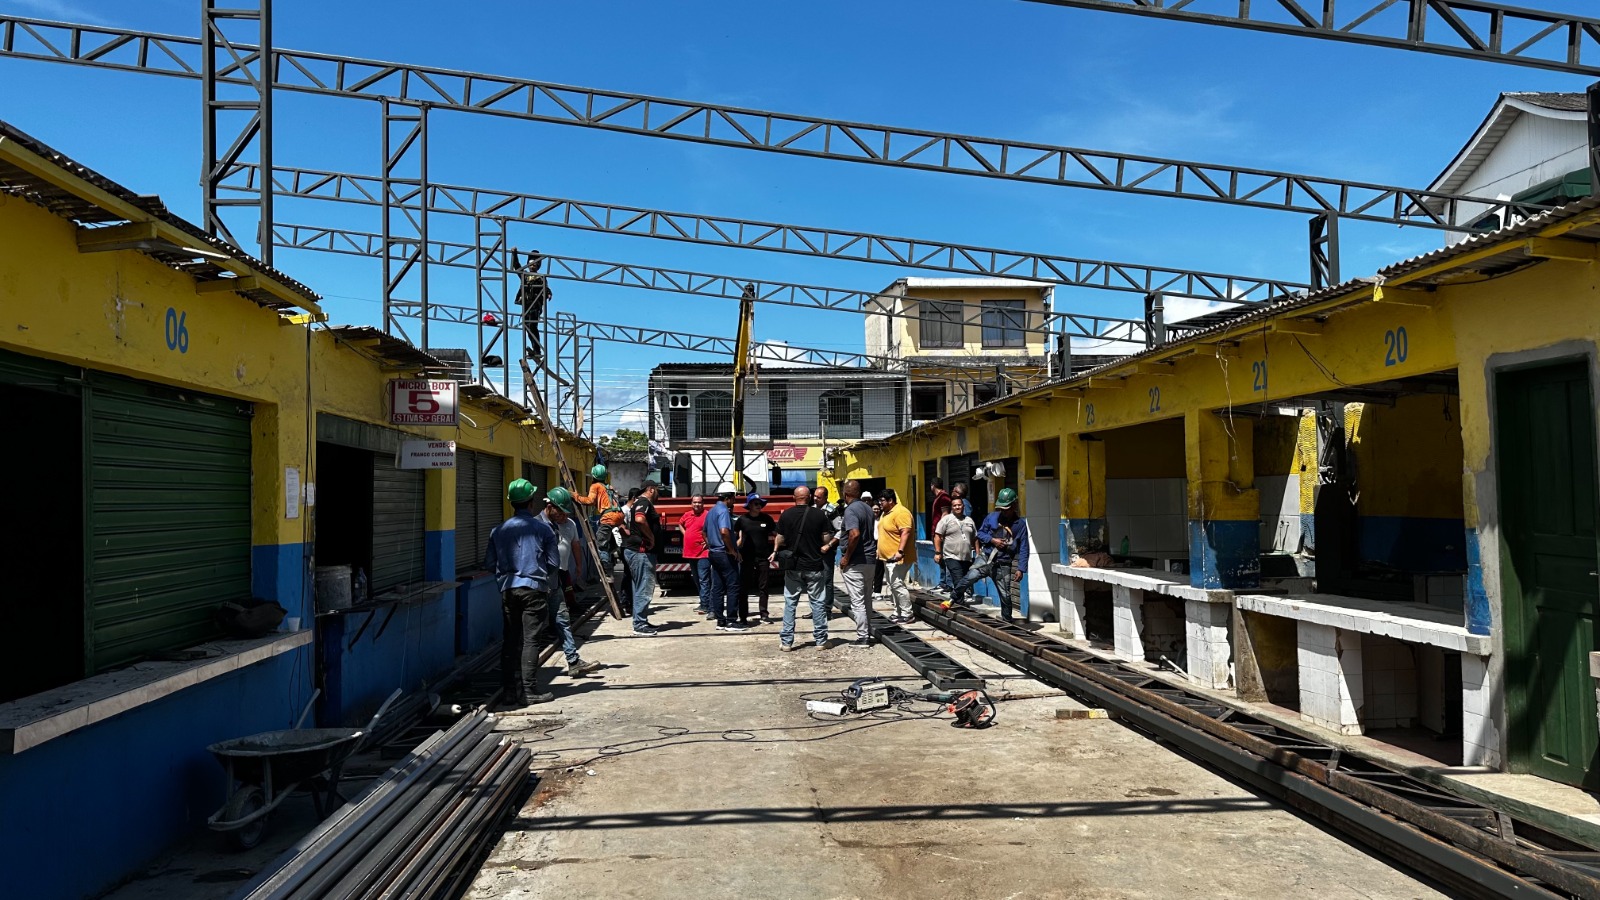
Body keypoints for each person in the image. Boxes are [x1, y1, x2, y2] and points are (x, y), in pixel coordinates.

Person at [484, 478, 559, 706]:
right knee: (531, 640)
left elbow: (489, 564)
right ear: (531, 502)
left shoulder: (498, 531)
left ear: (511, 503)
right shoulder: (543, 530)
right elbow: (554, 563)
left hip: (508, 590)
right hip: (533, 589)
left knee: (510, 640)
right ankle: (528, 691)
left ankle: (509, 692)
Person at [539, 487, 603, 678]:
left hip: (557, 578)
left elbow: (574, 545)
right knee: (534, 627)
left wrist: (578, 567)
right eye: (560, 511)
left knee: (562, 619)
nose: (563, 516)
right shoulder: (537, 526)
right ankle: (524, 675)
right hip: (538, 583)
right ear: (549, 506)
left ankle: (573, 661)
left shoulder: (566, 525)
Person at [773, 486, 830, 650]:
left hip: (793, 566)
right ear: (810, 497)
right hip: (814, 565)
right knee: (818, 603)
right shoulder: (819, 515)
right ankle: (821, 641)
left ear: (794, 497)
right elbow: (826, 539)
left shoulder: (786, 515)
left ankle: (786, 642)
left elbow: (780, 538)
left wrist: (777, 549)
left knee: (790, 602)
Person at [961, 487, 1030, 623]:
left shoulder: (1020, 525)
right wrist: (993, 540)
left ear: (1014, 506)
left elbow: (1024, 548)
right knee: (969, 578)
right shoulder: (992, 517)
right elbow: (980, 534)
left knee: (1005, 594)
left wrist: (1021, 568)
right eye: (1002, 509)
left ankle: (1007, 621)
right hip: (986, 558)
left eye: (1007, 509)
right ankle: (953, 599)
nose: (1004, 512)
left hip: (1003, 563)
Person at [838, 479, 878, 648]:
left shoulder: (851, 510)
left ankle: (862, 637)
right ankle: (867, 632)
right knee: (867, 599)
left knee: (857, 601)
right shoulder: (867, 508)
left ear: (845, 494)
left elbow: (854, 534)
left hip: (856, 562)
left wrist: (846, 557)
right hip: (870, 560)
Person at [704, 482, 747, 631]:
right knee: (733, 586)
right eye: (734, 497)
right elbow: (724, 531)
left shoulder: (711, 511)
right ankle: (731, 620)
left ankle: (720, 621)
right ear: (729, 497)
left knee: (717, 587)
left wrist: (711, 545)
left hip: (714, 553)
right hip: (724, 553)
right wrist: (732, 550)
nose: (735, 500)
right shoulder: (724, 511)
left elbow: (704, 532)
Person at [623, 478, 662, 635]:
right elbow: (640, 519)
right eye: (657, 490)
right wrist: (651, 537)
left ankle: (641, 620)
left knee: (639, 587)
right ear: (651, 489)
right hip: (641, 552)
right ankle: (639, 624)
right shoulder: (645, 502)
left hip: (637, 552)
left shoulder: (638, 502)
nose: (658, 493)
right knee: (644, 588)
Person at [736, 493, 777, 623]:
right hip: (746, 558)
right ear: (749, 506)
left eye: (760, 503)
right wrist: (736, 551)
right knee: (744, 587)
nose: (759, 506)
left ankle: (764, 614)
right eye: (756, 504)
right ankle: (742, 616)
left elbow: (777, 535)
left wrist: (775, 551)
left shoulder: (767, 519)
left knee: (763, 587)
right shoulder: (742, 520)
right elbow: (738, 537)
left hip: (763, 557)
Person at [876, 488, 915, 623]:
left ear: (890, 500)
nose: (879, 503)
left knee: (897, 584)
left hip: (898, 558)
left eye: (882, 500)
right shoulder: (886, 513)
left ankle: (907, 613)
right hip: (887, 558)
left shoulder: (901, 512)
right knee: (892, 585)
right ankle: (898, 611)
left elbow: (906, 532)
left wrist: (900, 551)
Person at [933, 497, 977, 607]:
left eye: (959, 505)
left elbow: (975, 538)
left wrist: (978, 553)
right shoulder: (946, 520)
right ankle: (960, 605)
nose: (957, 507)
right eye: (954, 505)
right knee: (958, 580)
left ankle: (955, 600)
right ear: (952, 507)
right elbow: (937, 536)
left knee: (964, 581)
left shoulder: (969, 520)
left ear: (963, 506)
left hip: (966, 557)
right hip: (951, 556)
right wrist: (938, 553)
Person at [680, 495, 713, 617]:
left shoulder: (707, 515)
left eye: (699, 502)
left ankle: (706, 605)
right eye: (694, 502)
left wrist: (708, 541)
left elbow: (714, 529)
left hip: (703, 553)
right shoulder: (687, 515)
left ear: (703, 503)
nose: (697, 505)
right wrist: (686, 534)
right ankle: (703, 601)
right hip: (690, 552)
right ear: (691, 503)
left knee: (704, 579)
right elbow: (680, 524)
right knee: (697, 579)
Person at [813, 486, 842, 616]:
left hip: (826, 551)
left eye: (818, 497)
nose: (815, 499)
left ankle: (826, 610)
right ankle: (815, 610)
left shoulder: (831, 511)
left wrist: (829, 545)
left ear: (825, 498)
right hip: (813, 551)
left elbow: (841, 530)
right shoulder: (812, 510)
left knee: (826, 581)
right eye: (814, 496)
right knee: (813, 581)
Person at [929, 479, 952, 590]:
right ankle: (943, 582)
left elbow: (945, 514)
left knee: (944, 558)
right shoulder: (939, 497)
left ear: (933, 486)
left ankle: (947, 584)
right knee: (940, 559)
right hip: (936, 532)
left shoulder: (943, 497)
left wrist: (941, 531)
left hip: (940, 533)